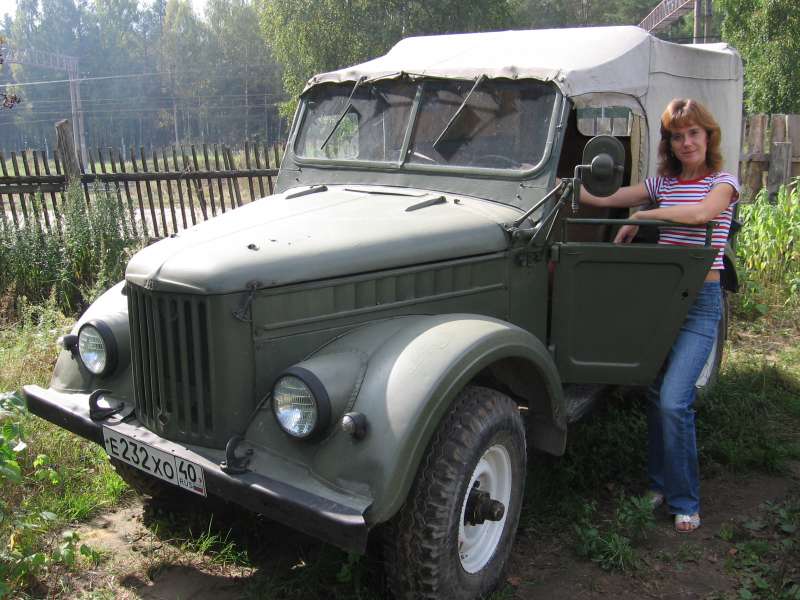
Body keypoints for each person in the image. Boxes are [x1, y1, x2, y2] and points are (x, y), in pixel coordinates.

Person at [579, 98, 739, 533]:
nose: (686, 143)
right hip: (662, 303)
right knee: (654, 396)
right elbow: (605, 195)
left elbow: (702, 214)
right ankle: (658, 485)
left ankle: (685, 500)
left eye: (693, 133)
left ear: (708, 136)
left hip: (700, 303)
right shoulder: (663, 184)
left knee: (673, 400)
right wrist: (564, 184)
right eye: (677, 136)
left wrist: (645, 215)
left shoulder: (723, 183)